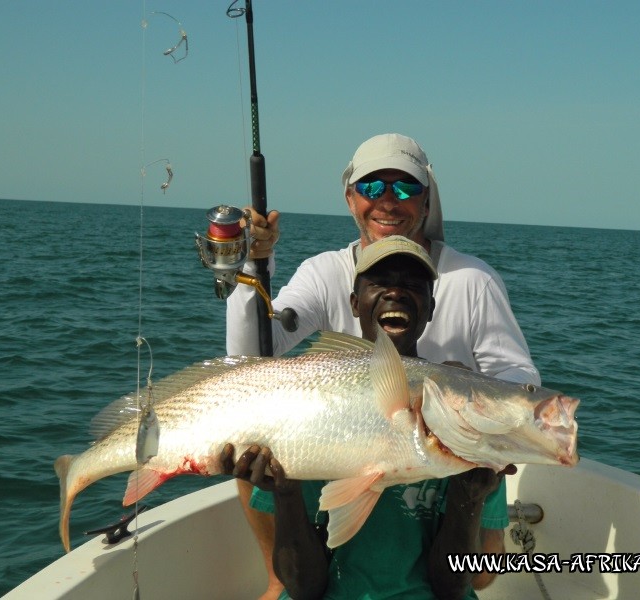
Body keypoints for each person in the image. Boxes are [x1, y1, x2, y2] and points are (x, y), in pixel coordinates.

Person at [226, 132, 539, 599]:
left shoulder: (473, 280)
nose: (388, 202)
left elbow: (521, 382)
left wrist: (465, 391)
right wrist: (253, 266)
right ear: (350, 198)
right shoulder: (323, 271)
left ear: (427, 199)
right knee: (254, 442)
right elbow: (254, 354)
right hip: (342, 434)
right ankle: (279, 578)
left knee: (482, 567)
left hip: (444, 448)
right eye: (373, 188)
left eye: (405, 188)